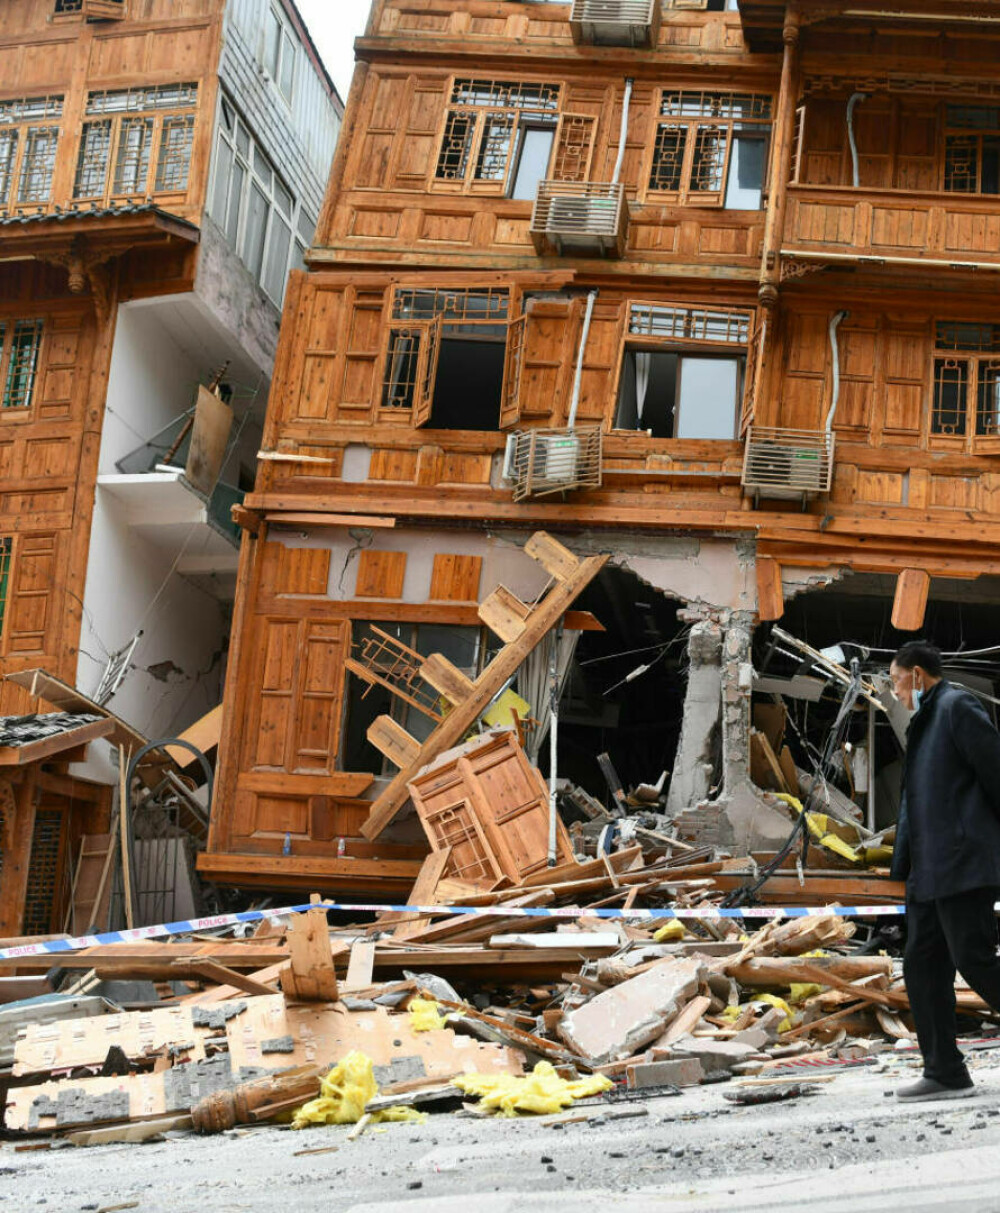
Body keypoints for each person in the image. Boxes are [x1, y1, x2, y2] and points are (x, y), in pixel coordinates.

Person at [889, 640, 1000, 1101]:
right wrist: (903, 867)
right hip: (929, 870)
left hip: (961, 862)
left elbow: (996, 774)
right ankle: (944, 1071)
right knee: (921, 966)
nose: (893, 691)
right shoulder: (924, 722)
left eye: (895, 681)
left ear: (916, 674)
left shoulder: (957, 707)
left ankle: (945, 1070)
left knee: (973, 958)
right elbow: (916, 803)